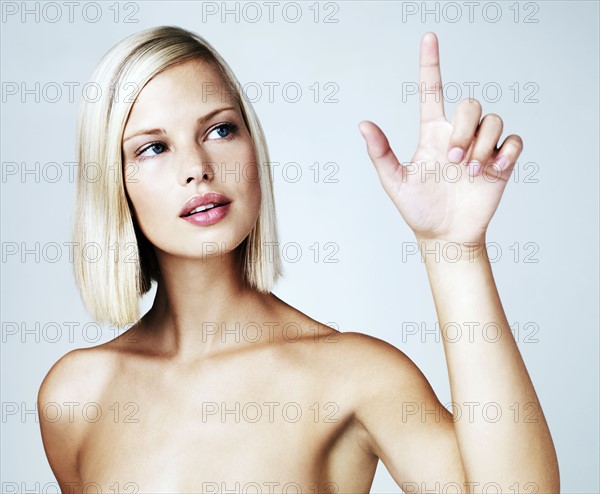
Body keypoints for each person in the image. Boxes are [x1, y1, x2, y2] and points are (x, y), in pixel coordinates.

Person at [37, 25, 559, 494]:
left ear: (252, 146)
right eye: (153, 148)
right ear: (113, 181)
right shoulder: (78, 395)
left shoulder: (357, 375)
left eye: (219, 130)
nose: (197, 168)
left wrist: (454, 250)